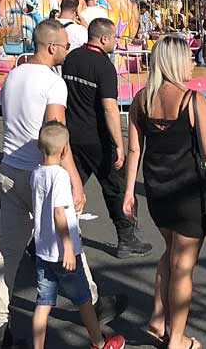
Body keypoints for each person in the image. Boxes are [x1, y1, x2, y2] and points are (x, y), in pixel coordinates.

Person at [0, 20, 118, 349]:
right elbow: (57, 133)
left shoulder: (13, 75)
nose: (67, 51)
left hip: (10, 168)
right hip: (42, 172)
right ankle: (94, 304)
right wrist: (73, 179)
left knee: (9, 250)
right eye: (65, 45)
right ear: (52, 47)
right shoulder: (52, 83)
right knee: (68, 237)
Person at [124, 34, 206, 349]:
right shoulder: (193, 101)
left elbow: (134, 151)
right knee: (183, 266)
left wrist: (128, 193)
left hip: (157, 191)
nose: (193, 61)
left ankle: (157, 317)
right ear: (176, 62)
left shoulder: (140, 100)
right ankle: (177, 339)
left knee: (170, 253)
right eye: (189, 57)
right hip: (190, 193)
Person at [60, 17, 151, 259]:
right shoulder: (104, 66)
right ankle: (127, 238)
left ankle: (45, 240)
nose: (115, 43)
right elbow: (110, 108)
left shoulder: (72, 58)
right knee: (116, 188)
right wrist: (119, 144)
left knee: (69, 190)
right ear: (103, 38)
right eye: (113, 38)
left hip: (73, 135)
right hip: (98, 138)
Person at [30, 121, 125, 349]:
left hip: (43, 250)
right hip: (63, 251)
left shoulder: (36, 173)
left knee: (43, 303)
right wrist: (69, 248)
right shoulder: (60, 177)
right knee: (84, 301)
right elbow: (59, 214)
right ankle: (100, 343)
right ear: (64, 150)